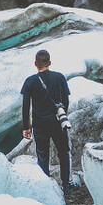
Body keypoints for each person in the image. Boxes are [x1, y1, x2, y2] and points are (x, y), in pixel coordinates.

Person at [20, 49, 73, 194]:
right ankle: (67, 185)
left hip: (40, 125)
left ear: (35, 64)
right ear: (49, 63)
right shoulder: (60, 77)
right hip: (57, 123)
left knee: (42, 155)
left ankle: (45, 189)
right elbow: (66, 100)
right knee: (64, 153)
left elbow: (26, 106)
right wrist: (62, 116)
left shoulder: (30, 81)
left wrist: (26, 127)